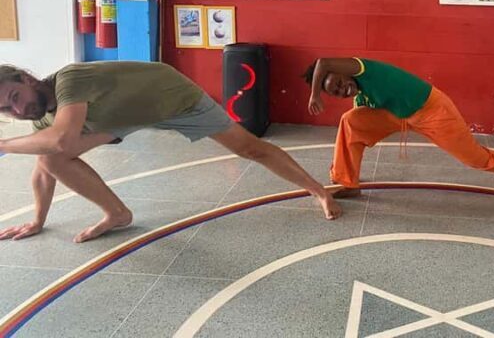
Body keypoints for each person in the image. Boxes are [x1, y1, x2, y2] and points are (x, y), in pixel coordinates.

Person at [0, 62, 341, 243]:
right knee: (48, 155)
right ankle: (117, 214)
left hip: (172, 98)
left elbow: (61, 140)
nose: (18, 111)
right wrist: (38, 220)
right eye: (7, 111)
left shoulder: (69, 80)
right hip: (122, 117)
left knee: (249, 148)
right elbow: (45, 167)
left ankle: (319, 191)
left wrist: (2, 145)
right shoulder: (43, 116)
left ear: (27, 78)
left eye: (14, 97)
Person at [305, 58, 494, 199]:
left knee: (476, 158)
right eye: (335, 92)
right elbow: (364, 115)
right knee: (351, 121)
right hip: (396, 113)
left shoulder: (361, 68)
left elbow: (323, 62)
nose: (341, 89)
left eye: (338, 82)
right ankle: (347, 182)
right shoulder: (361, 96)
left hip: (432, 110)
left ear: (342, 72)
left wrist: (315, 95)